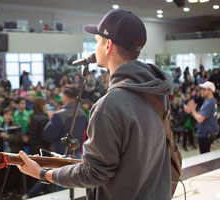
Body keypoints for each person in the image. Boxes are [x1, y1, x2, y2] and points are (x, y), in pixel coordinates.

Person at [16, 9, 173, 200]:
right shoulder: (156, 92)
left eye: (97, 41)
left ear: (108, 45)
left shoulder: (109, 105)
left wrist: (42, 173)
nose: (95, 48)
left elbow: (94, 173)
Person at [42, 85, 88, 158]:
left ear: (64, 96)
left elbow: (48, 136)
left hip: (62, 155)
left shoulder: (59, 115)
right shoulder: (82, 113)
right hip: (78, 153)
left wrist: (50, 120)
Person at [185, 81, 219, 154]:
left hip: (206, 134)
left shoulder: (209, 103)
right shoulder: (208, 101)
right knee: (205, 155)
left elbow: (200, 119)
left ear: (210, 91)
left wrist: (192, 110)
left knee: (205, 156)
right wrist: (192, 111)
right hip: (205, 133)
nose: (201, 91)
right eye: (201, 89)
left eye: (204, 89)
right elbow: (200, 115)